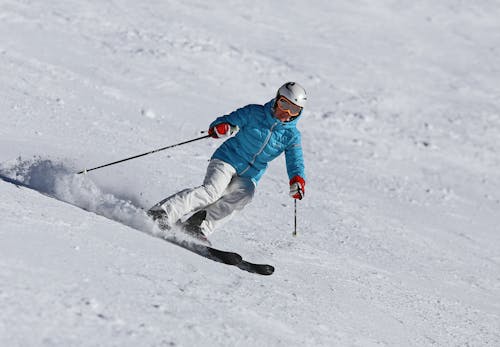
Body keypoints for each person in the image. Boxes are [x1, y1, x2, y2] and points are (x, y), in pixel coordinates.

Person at [147, 82, 307, 243]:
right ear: (277, 99)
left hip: (250, 174)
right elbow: (226, 121)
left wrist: (297, 180)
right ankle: (163, 212)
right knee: (212, 192)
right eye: (284, 104)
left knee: (245, 194)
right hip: (227, 159)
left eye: (294, 110)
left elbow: (296, 161)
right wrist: (222, 127)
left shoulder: (292, 136)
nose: (286, 113)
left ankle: (198, 225)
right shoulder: (253, 112)